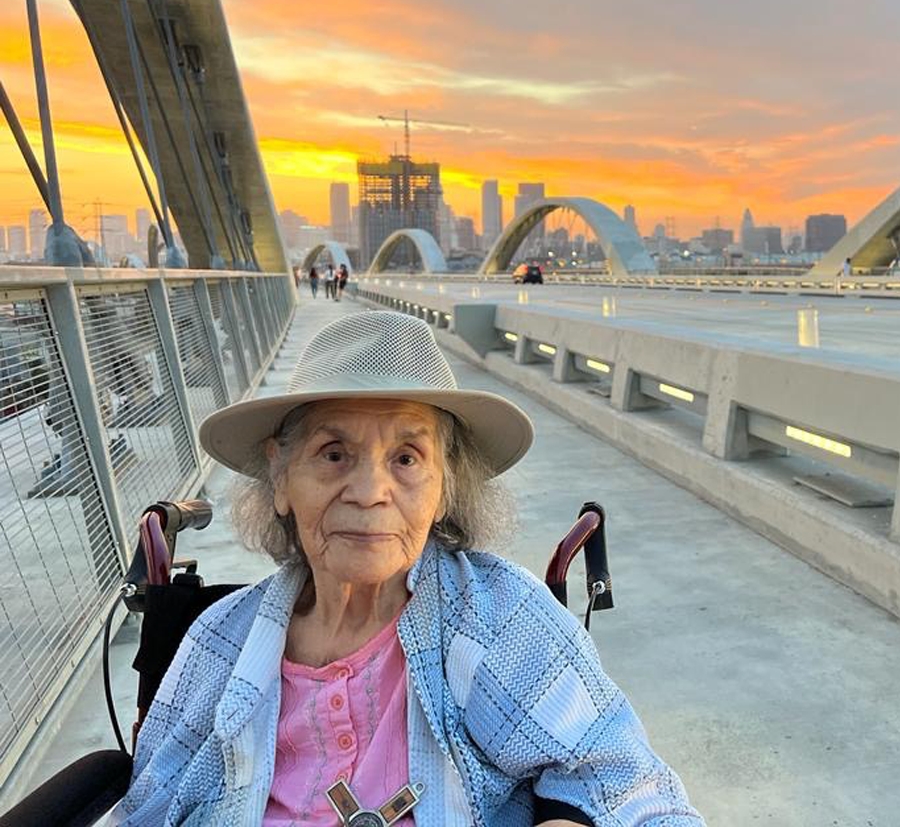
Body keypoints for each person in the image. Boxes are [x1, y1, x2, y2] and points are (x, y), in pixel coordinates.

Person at [112, 312, 705, 827]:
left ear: (444, 487)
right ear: (280, 478)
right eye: (334, 454)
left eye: (406, 457)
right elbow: (148, 805)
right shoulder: (220, 639)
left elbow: (628, 790)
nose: (370, 492)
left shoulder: (497, 617)